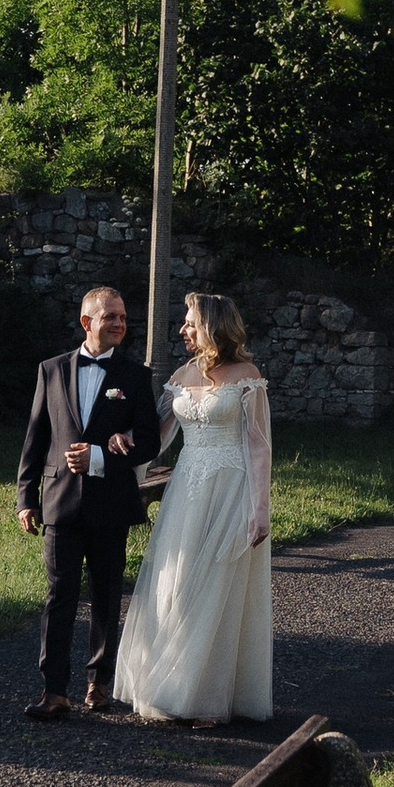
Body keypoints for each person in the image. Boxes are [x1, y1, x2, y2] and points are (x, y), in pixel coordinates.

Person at [114, 290, 273, 726]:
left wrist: (259, 508)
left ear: (212, 326)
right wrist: (128, 451)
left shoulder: (247, 375)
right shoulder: (182, 375)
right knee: (178, 581)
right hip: (186, 488)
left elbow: (258, 447)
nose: (183, 329)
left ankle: (206, 697)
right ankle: (171, 685)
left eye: (189, 322)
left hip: (230, 487)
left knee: (216, 585)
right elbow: (160, 434)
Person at [16, 283, 164, 723]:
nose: (119, 323)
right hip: (60, 500)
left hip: (111, 500)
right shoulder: (52, 369)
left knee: (105, 594)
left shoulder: (135, 376)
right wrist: (26, 497)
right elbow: (36, 437)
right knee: (59, 595)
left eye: (122, 317)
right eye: (110, 317)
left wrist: (102, 453)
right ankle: (54, 690)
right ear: (87, 322)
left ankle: (98, 682)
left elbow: (150, 442)